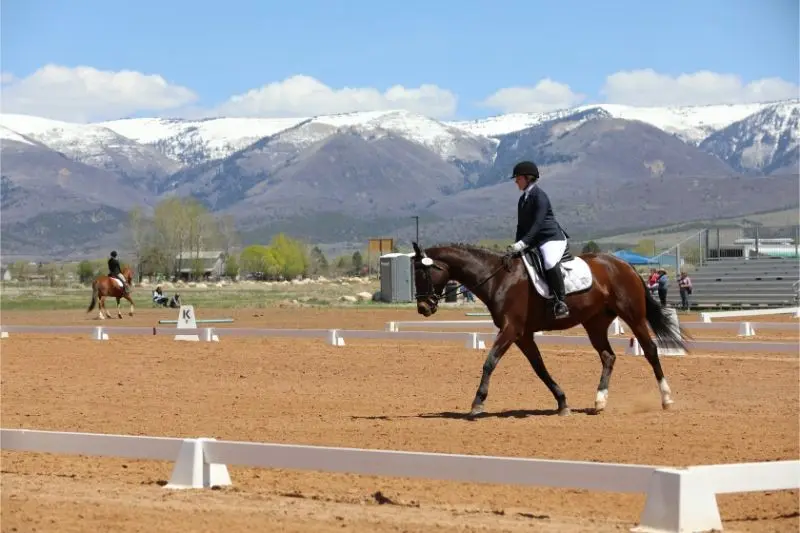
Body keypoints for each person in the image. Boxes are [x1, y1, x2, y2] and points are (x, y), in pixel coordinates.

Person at [506, 160, 571, 319]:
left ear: (528, 178)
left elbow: (538, 224)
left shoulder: (540, 196)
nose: (516, 181)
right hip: (534, 240)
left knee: (549, 262)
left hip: (551, 239)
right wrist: (516, 245)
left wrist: (524, 242)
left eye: (518, 178)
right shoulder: (523, 200)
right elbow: (521, 226)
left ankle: (560, 302)